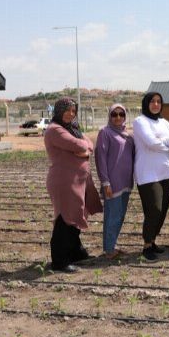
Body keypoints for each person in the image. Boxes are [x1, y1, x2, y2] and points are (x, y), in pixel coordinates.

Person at [44, 98, 102, 273]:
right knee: (64, 219)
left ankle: (75, 252)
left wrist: (85, 149)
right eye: (67, 110)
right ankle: (59, 261)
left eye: (73, 111)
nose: (71, 114)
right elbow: (78, 144)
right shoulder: (54, 130)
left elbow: (88, 144)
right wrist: (84, 147)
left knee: (76, 216)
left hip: (77, 180)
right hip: (64, 181)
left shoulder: (72, 128)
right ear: (59, 111)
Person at [132, 92, 169, 262]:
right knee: (154, 209)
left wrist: (161, 141)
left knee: (163, 209)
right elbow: (151, 142)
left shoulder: (164, 122)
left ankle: (152, 241)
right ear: (146, 103)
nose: (155, 104)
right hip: (147, 173)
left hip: (165, 171)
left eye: (159, 101)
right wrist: (166, 144)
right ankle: (146, 245)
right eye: (152, 101)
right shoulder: (140, 121)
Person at [95, 103, 135, 260]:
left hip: (126, 182)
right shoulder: (105, 133)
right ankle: (109, 249)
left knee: (120, 216)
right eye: (114, 114)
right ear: (110, 116)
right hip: (112, 183)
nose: (118, 117)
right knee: (113, 216)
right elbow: (101, 159)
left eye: (121, 114)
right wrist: (105, 182)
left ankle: (111, 245)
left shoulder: (128, 135)